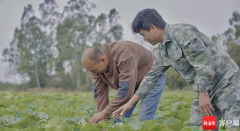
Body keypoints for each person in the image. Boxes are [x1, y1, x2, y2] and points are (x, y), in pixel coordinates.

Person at [112, 8, 240, 130]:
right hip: (207, 87)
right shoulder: (163, 49)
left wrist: (203, 94)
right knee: (200, 124)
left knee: (233, 124)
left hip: (226, 82)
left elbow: (204, 65)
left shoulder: (182, 33)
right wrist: (131, 103)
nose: (144, 40)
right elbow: (152, 77)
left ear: (153, 27)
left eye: (144, 35)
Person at [81, 41, 166, 123]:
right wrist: (105, 120)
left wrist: (104, 112)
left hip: (152, 77)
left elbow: (126, 90)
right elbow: (100, 93)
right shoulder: (94, 67)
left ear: (103, 60)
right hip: (132, 83)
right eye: (90, 71)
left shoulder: (124, 54)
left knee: (144, 120)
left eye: (94, 70)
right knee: (119, 120)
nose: (93, 73)